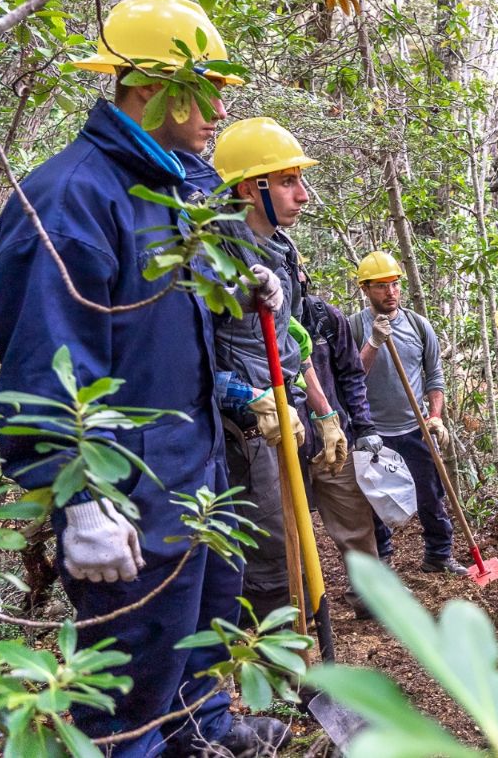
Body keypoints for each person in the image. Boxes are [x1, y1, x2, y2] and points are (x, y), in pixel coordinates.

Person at [0, 0, 287, 755]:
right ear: (148, 90)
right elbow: (44, 359)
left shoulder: (178, 187)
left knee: (198, 634)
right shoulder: (70, 198)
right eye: (206, 88)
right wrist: (80, 499)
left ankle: (204, 731)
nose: (221, 106)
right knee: (126, 693)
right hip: (128, 494)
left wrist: (234, 290)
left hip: (197, 473)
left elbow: (164, 326)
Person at [206, 116, 321, 621]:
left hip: (284, 411)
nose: (304, 195)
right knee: (269, 556)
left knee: (298, 539)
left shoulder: (282, 247)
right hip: (242, 430)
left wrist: (323, 410)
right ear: (253, 189)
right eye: (289, 181)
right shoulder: (212, 250)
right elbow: (187, 356)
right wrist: (246, 398)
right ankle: (275, 676)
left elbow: (292, 330)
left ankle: (301, 665)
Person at [348, 251, 467, 575]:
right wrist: (373, 341)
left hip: (414, 426)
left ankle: (439, 555)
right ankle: (383, 563)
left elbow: (435, 376)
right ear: (365, 289)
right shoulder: (354, 327)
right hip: (372, 430)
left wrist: (436, 416)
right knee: (376, 500)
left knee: (430, 491)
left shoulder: (418, 325)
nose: (391, 292)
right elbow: (351, 376)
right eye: (381, 286)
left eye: (395, 284)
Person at [297, 274, 385, 616]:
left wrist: (364, 427)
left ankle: (369, 599)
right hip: (280, 441)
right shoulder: (252, 318)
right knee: (286, 527)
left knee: (355, 525)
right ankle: (301, 606)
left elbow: (350, 374)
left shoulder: (324, 318)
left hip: (333, 439)